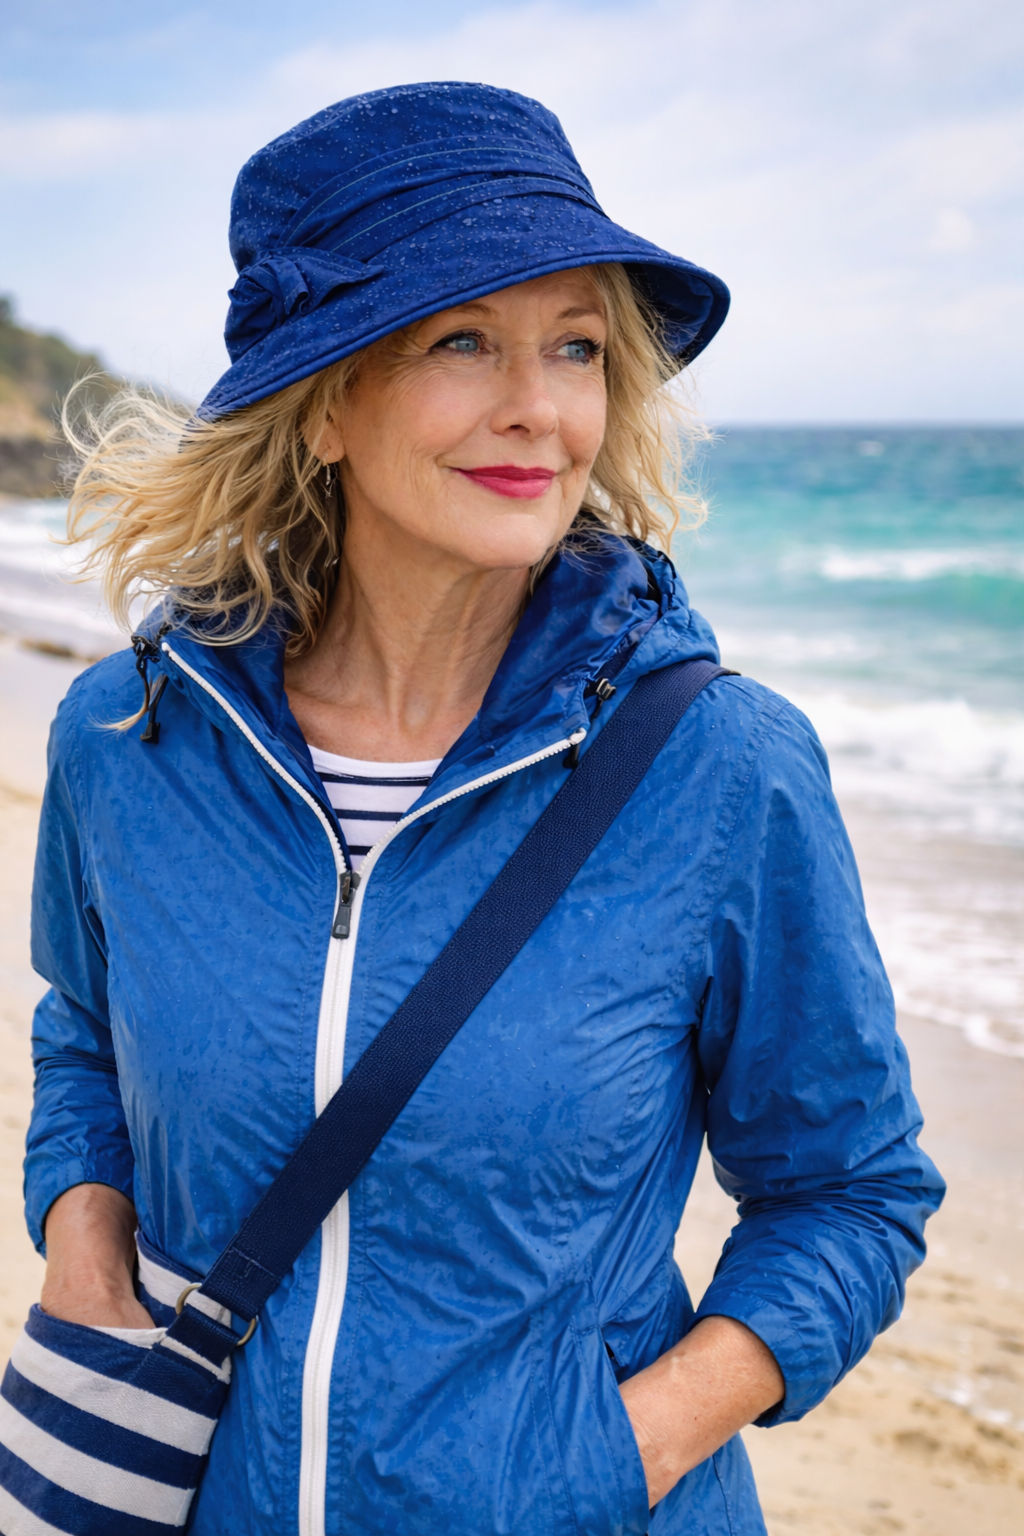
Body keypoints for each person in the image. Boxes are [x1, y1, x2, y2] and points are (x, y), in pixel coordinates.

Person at [19, 83, 942, 1535]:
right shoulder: (128, 739)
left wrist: (607, 1459)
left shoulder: (724, 768)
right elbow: (83, 1032)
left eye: (575, 347)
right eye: (464, 343)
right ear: (325, 404)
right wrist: (84, 1251)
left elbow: (852, 1192)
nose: (539, 407)